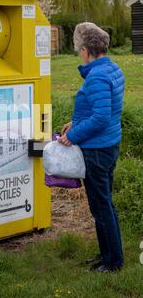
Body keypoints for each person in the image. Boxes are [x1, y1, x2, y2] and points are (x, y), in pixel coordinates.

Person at [58, 22, 125, 273]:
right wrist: (74, 122)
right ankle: (108, 253)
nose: (79, 55)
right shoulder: (112, 69)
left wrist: (72, 135)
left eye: (79, 51)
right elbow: (104, 109)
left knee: (100, 206)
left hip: (97, 149)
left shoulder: (96, 75)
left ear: (86, 50)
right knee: (104, 203)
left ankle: (113, 262)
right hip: (108, 144)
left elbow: (100, 117)